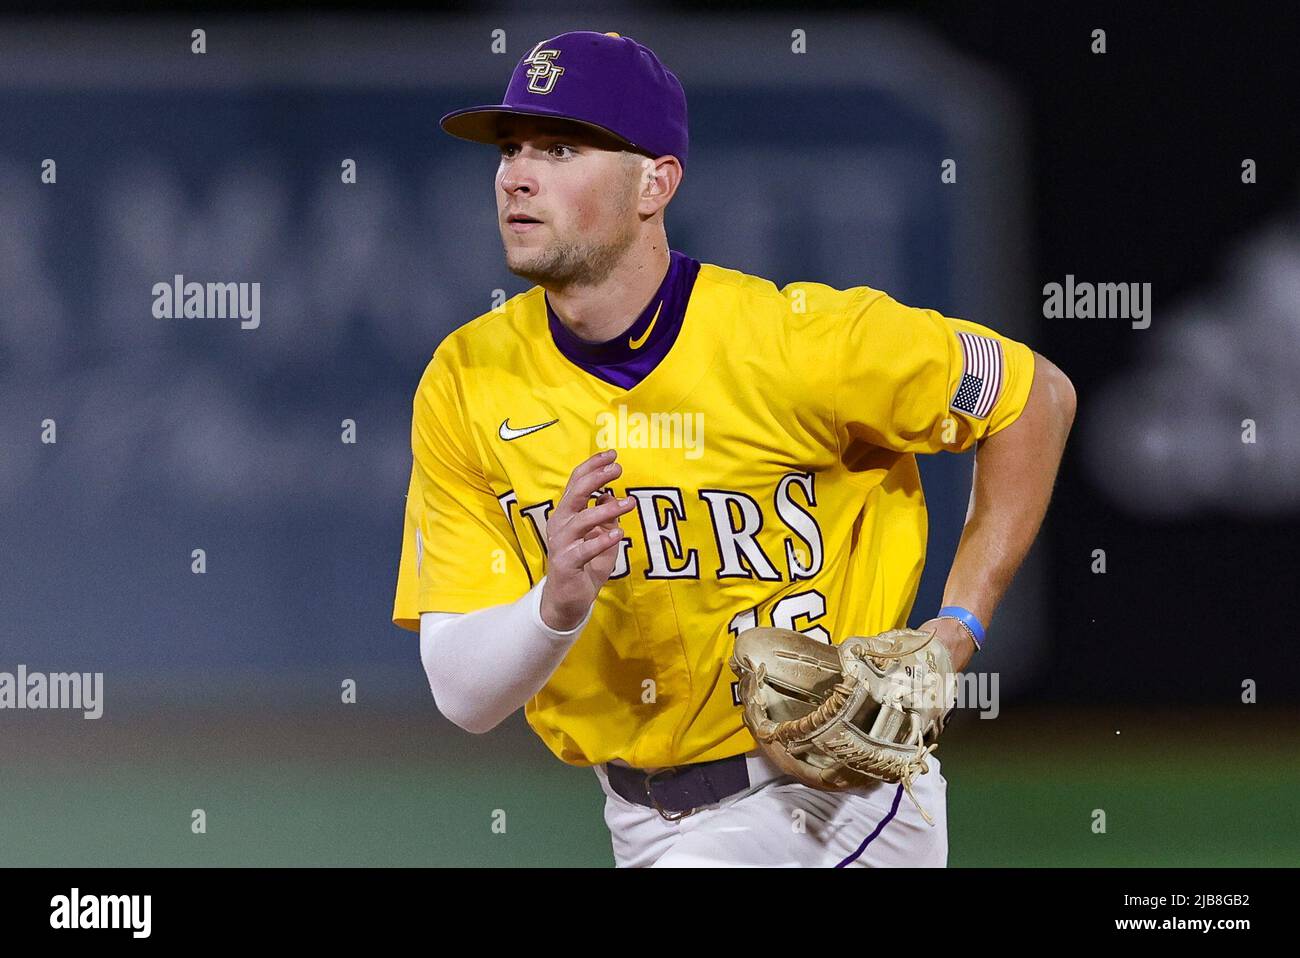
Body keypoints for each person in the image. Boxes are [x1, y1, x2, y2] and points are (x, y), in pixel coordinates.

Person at [392, 30, 1076, 867]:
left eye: (562, 147)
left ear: (656, 181)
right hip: (636, 820)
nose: (517, 176)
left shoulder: (799, 344)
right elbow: (464, 696)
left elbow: (1032, 396)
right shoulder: (467, 379)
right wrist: (554, 606)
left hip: (828, 806)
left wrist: (957, 630)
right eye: (511, 149)